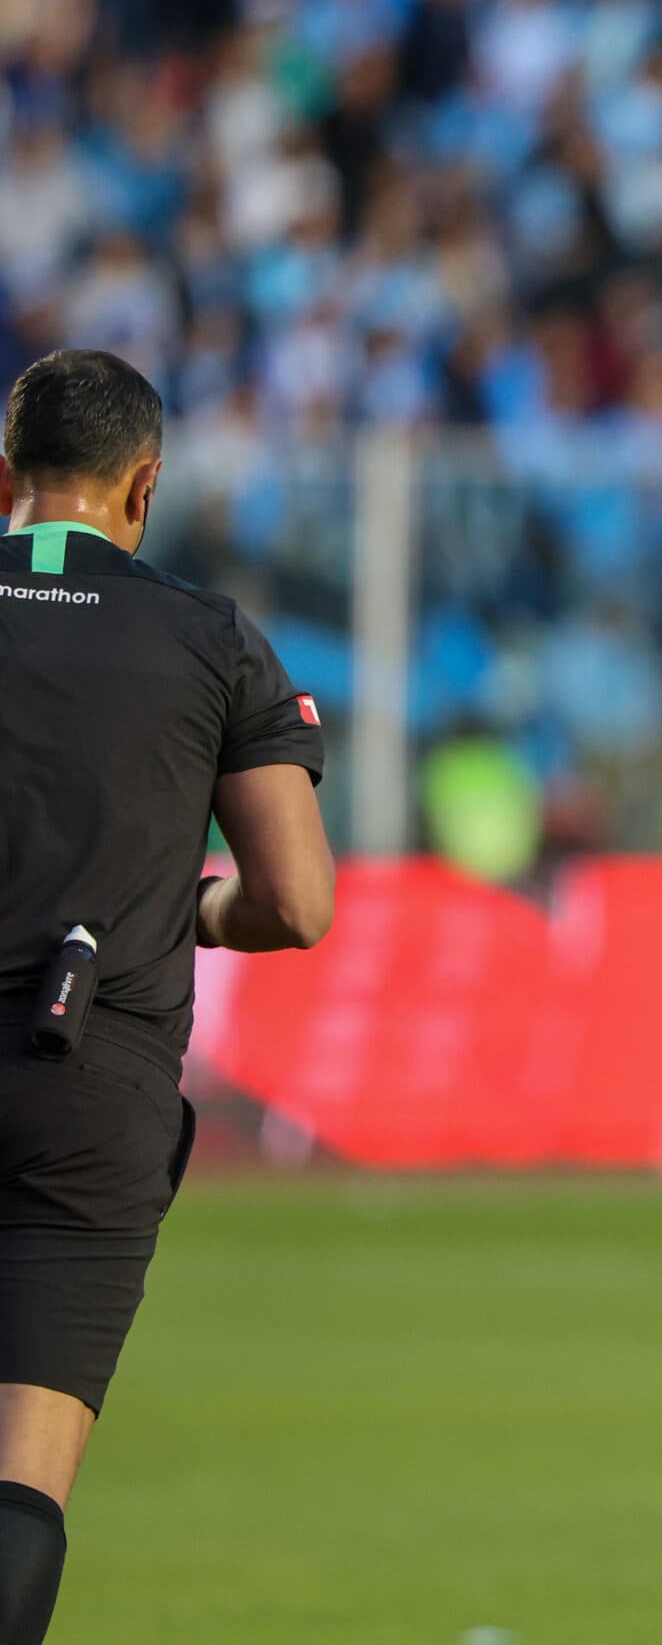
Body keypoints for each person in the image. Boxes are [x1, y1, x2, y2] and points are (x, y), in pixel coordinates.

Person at [0, 349, 333, 1643]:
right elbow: (295, 903)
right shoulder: (205, 637)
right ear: (144, 486)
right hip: (90, 1079)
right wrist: (187, 906)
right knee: (23, 1468)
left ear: (5, 478)